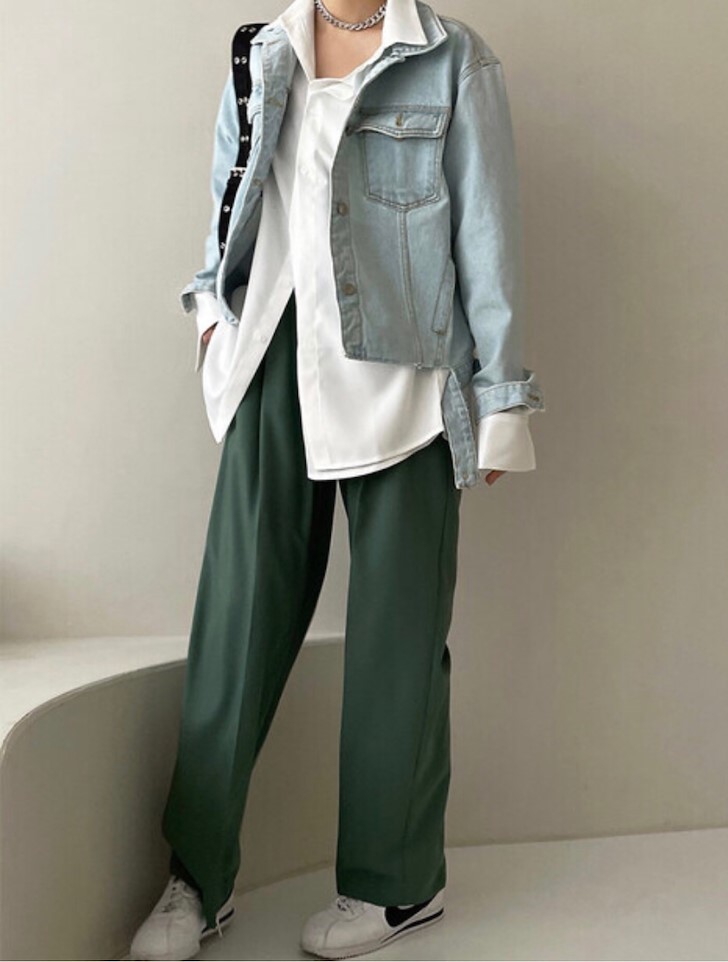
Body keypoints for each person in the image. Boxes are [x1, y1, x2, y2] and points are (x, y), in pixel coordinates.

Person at [128, 0, 545, 958]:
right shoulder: (262, 50)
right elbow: (232, 195)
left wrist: (500, 397)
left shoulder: (452, 60)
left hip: (405, 371)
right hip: (274, 354)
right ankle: (197, 879)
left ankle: (396, 885)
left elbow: (488, 233)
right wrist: (212, 314)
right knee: (236, 625)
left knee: (400, 637)